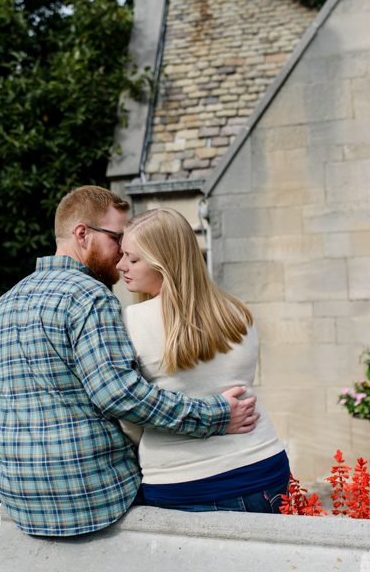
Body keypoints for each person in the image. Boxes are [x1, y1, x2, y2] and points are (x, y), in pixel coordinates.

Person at [0, 186, 260, 537]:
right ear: (82, 234)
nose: (122, 254)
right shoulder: (91, 297)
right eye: (117, 239)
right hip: (99, 496)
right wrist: (215, 415)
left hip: (21, 502)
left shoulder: (4, 303)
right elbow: (119, 395)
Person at [116, 207, 289, 513]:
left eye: (132, 258)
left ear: (162, 262)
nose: (120, 266)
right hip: (263, 463)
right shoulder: (238, 312)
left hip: (182, 480)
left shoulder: (131, 321)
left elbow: (131, 416)